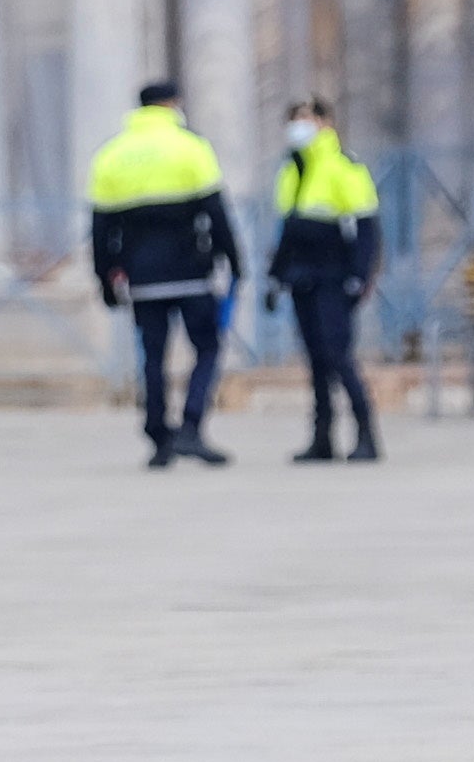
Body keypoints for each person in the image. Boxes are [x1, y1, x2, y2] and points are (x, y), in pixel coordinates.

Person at [85, 79, 245, 471]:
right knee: (206, 347)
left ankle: (159, 436)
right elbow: (216, 210)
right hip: (191, 270)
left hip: (141, 278)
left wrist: (104, 277)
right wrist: (235, 259)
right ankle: (191, 425)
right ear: (172, 104)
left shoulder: (112, 155)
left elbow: (101, 228)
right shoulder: (191, 147)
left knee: (151, 357)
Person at [268, 98, 385, 465]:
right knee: (316, 359)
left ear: (325, 122)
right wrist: (274, 277)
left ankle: (366, 433)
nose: (298, 127)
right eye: (293, 120)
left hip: (334, 277)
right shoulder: (292, 169)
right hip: (302, 278)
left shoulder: (341, 166)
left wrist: (359, 276)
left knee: (338, 355)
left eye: (304, 119)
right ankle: (323, 438)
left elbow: (365, 228)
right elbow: (287, 231)